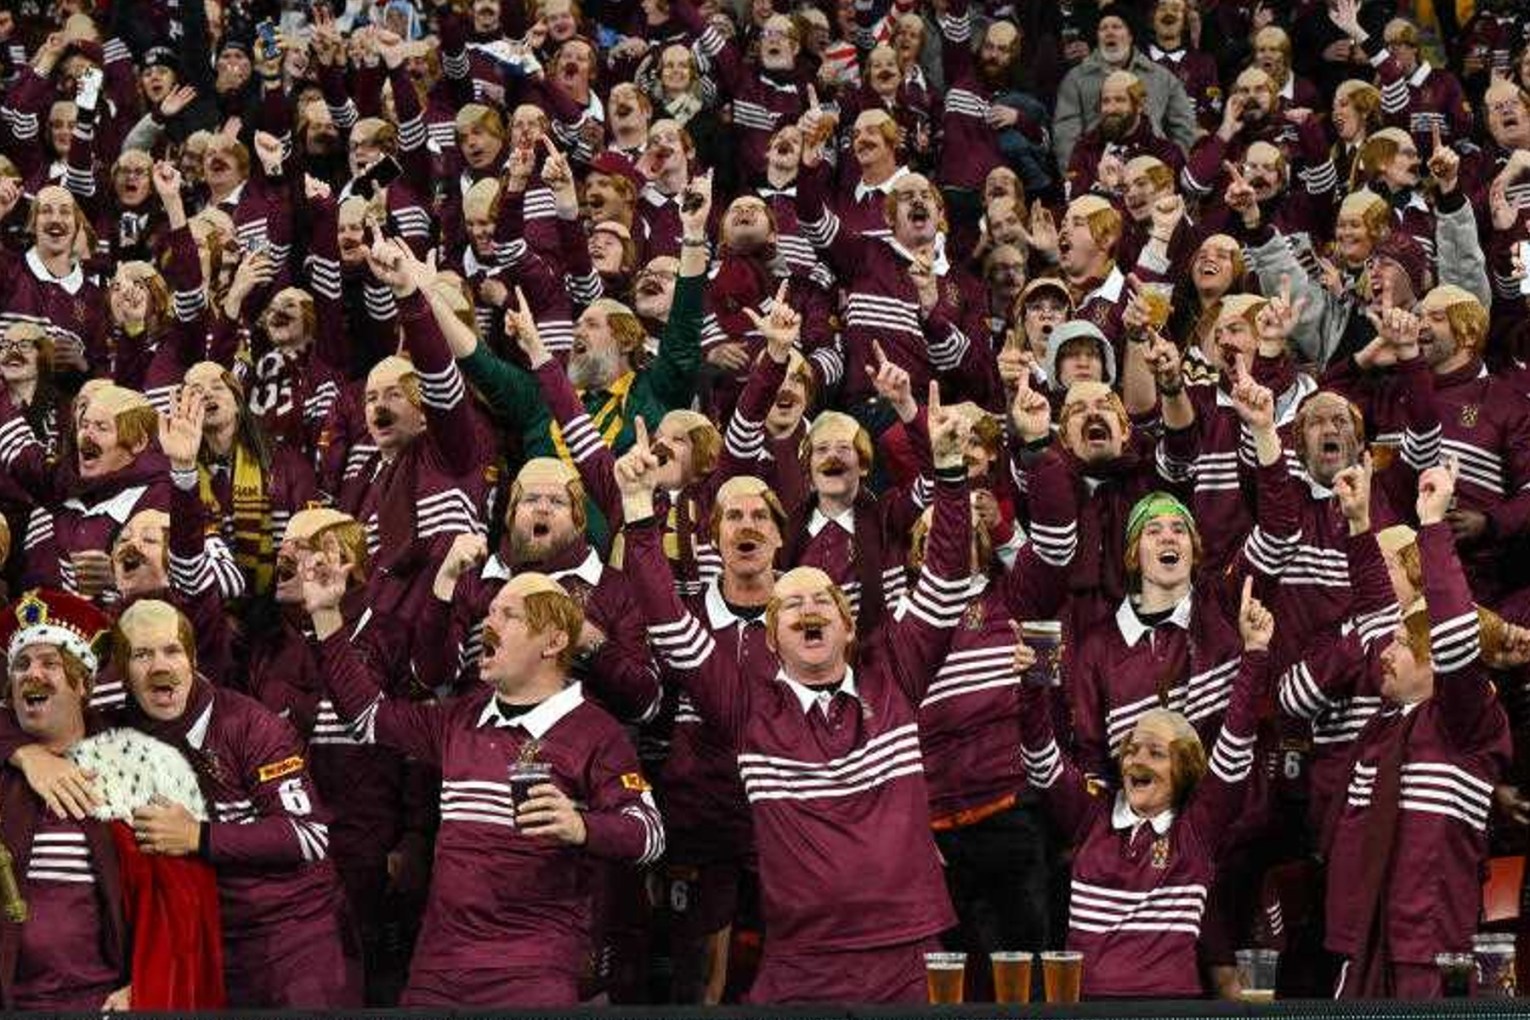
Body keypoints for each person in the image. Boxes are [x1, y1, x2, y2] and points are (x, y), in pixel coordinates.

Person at [621, 383, 974, 1003]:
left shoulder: (893, 673)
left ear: (846, 622)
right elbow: (667, 622)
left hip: (908, 949)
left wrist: (949, 475)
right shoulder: (747, 706)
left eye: (823, 602)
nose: (809, 609)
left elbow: (945, 579)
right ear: (773, 638)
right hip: (802, 959)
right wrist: (636, 508)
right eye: (792, 606)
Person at [309, 565, 664, 1006]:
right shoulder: (459, 718)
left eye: (509, 615)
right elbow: (366, 719)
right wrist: (326, 616)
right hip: (438, 967)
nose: (488, 623)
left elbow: (650, 833)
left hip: (533, 968)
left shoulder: (597, 732)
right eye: (490, 611)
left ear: (553, 642)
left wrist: (583, 827)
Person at [0, 587, 223, 1010]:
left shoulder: (138, 765)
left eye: (51, 663)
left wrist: (148, 987)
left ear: (83, 685)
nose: (32, 674)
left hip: (99, 1002)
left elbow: (182, 904)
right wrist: (24, 754)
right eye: (22, 664)